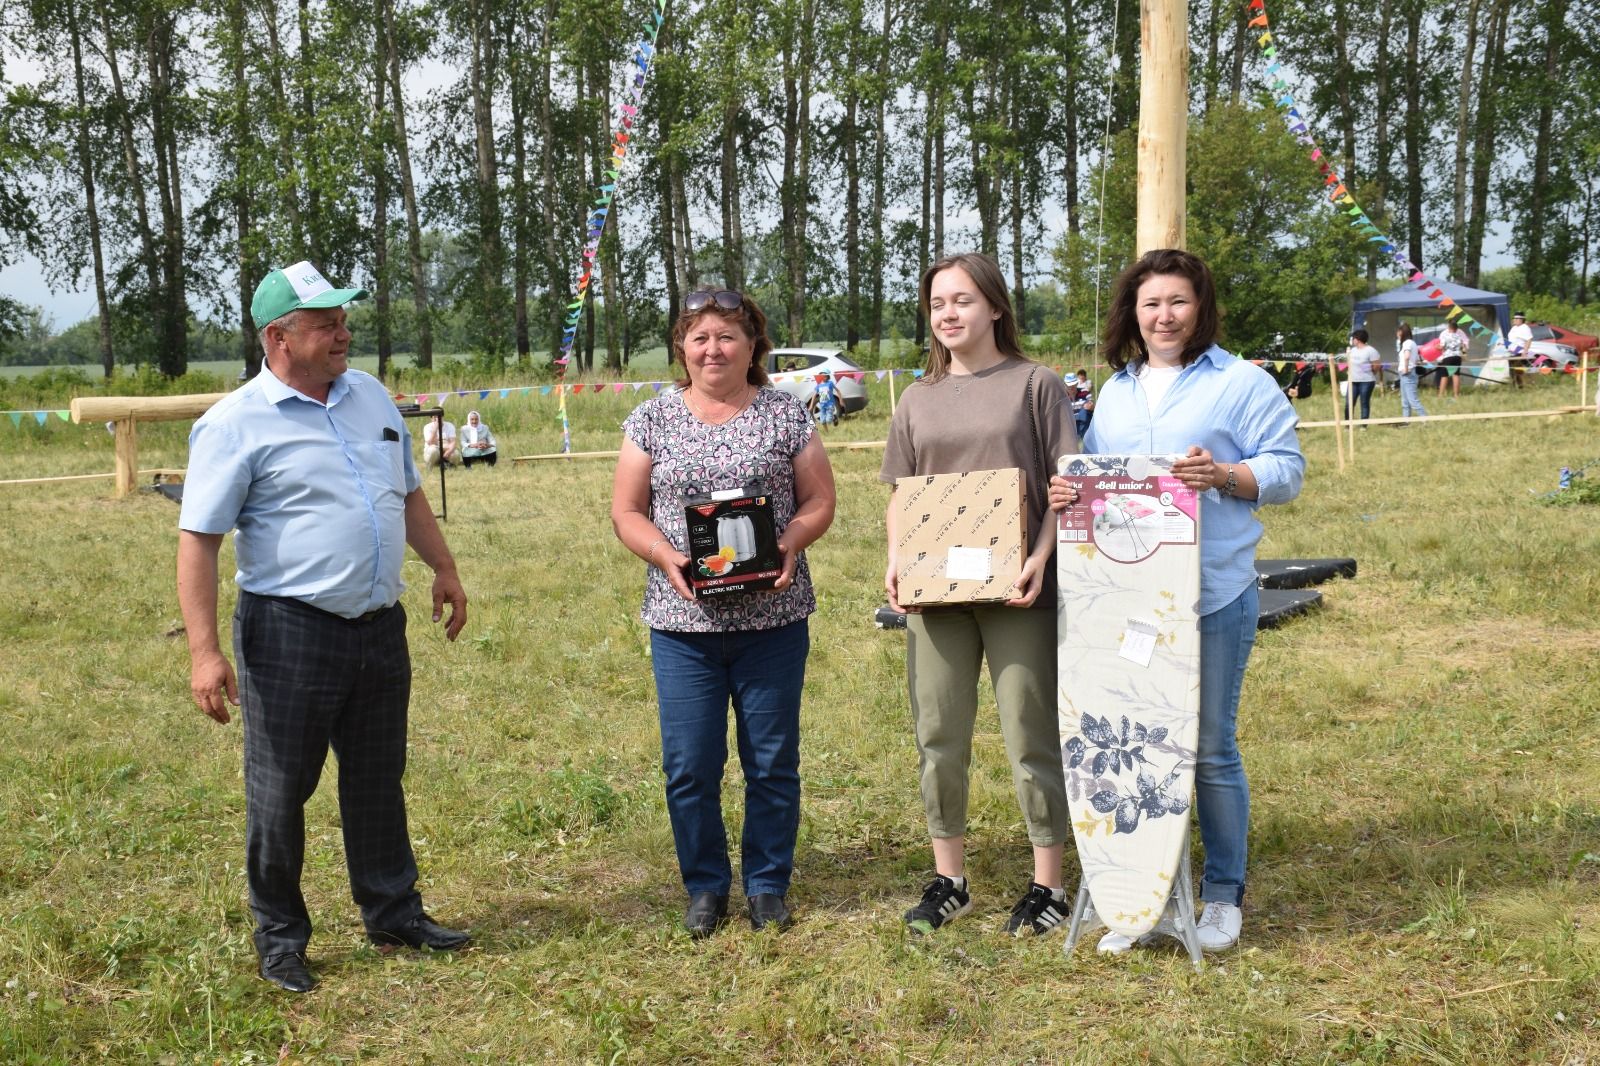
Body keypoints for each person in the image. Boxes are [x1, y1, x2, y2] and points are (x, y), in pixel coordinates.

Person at [176, 261, 470, 995]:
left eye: (344, 320)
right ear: (279, 337)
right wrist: (206, 652)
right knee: (281, 791)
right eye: (326, 324)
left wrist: (443, 567)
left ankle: (393, 912)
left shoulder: (368, 395)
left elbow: (406, 492)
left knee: (377, 779)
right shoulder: (234, 423)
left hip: (378, 626)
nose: (344, 334)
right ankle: (281, 938)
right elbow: (199, 540)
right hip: (289, 631)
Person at [1049, 248, 1304, 954]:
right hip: (1130, 602)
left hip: (1212, 593)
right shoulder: (1119, 391)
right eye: (1150, 303)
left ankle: (1223, 894)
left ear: (1202, 308)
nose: (1164, 316)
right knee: (1136, 741)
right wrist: (1071, 491)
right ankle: (1141, 896)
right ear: (1133, 312)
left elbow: (1287, 471)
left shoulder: (1244, 383)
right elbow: (1102, 474)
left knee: (1211, 749)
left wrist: (1224, 474)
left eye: (1178, 302)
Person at [610, 287, 837, 937]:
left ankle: (767, 883)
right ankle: (705, 885)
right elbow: (626, 511)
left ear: (753, 345)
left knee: (771, 759)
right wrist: (664, 554)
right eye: (700, 337)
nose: (714, 348)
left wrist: (790, 542)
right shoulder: (651, 420)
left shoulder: (785, 415)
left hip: (773, 619)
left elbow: (820, 500)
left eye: (728, 336)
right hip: (684, 627)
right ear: (682, 347)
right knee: (690, 764)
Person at [881, 252, 1074, 938]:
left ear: (995, 307)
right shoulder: (915, 399)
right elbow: (903, 493)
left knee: (1029, 733)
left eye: (962, 300)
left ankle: (1048, 884)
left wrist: (1041, 559)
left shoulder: (1037, 385)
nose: (949, 314)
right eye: (938, 304)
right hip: (937, 596)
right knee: (938, 734)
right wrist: (897, 561)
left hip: (1021, 591)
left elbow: (1066, 489)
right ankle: (950, 879)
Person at [1345, 328, 1380, 421]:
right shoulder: (1352, 350)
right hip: (1352, 381)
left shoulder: (1371, 350)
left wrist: (1372, 372)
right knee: (1349, 403)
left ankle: (1363, 425)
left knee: (1364, 403)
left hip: (1367, 381)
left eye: (1353, 338)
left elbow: (1376, 366)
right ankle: (1348, 424)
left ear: (1358, 339)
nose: (1352, 340)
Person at [1396, 323, 1427, 421]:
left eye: (1398, 332)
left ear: (1402, 332)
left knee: (1412, 400)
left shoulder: (1407, 343)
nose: (1397, 334)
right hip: (1406, 374)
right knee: (1405, 401)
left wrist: (1405, 368)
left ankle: (1425, 419)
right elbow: (1417, 359)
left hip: (1407, 373)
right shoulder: (1413, 343)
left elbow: (1407, 356)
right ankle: (1406, 421)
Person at [1435, 320, 1468, 398]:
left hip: (1448, 357)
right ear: (1456, 329)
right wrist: (1464, 356)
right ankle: (1456, 395)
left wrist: (1436, 346)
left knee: (1444, 375)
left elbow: (1441, 347)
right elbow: (1464, 347)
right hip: (1457, 357)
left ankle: (1441, 395)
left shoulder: (1446, 336)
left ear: (1448, 328)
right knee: (1456, 375)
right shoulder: (1459, 337)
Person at [1507, 311, 1533, 389]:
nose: (1514, 320)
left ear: (1521, 319)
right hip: (1511, 353)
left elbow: (1529, 340)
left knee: (1518, 371)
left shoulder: (1525, 327)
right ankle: (1515, 386)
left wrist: (1525, 352)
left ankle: (1523, 386)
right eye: (1514, 319)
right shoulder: (1514, 328)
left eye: (1516, 319)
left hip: (1519, 353)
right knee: (1512, 371)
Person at [1071, 368, 1095, 441]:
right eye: (1079, 376)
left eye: (1082, 375)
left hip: (1083, 405)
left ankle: (1083, 436)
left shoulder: (1088, 383)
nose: (1081, 377)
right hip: (1072, 417)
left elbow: (1089, 389)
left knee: (1084, 413)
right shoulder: (1063, 395)